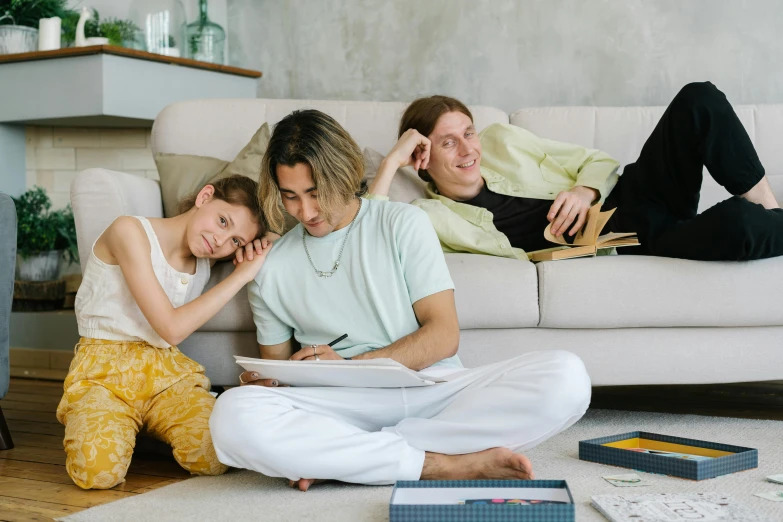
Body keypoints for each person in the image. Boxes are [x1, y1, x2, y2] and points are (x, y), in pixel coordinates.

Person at [209, 110, 591, 491]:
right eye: (290, 197)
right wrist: (262, 382)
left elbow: (443, 336)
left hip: (435, 389)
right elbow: (276, 377)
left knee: (567, 377)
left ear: (343, 173)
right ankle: (435, 465)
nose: (305, 212)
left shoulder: (404, 223)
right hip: (342, 407)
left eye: (315, 194)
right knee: (231, 415)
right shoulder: (270, 266)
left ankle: (347, 458)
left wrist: (350, 367)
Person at [369, 82, 783, 261]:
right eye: (447, 142)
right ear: (422, 157)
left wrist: (585, 191)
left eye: (468, 133)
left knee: (699, 99)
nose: (468, 149)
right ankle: (764, 219)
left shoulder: (503, 142)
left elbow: (599, 162)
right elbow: (371, 241)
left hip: (636, 193)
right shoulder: (431, 217)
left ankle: (770, 206)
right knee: (741, 227)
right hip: (631, 241)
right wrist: (391, 162)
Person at [56, 175, 273, 489]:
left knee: (216, 457)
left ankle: (144, 428)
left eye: (236, 241)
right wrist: (241, 276)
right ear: (205, 196)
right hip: (104, 374)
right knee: (97, 472)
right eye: (223, 221)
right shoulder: (128, 231)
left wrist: (260, 245)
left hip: (166, 375)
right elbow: (171, 329)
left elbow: (279, 239)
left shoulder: (202, 263)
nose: (221, 242)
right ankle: (115, 423)